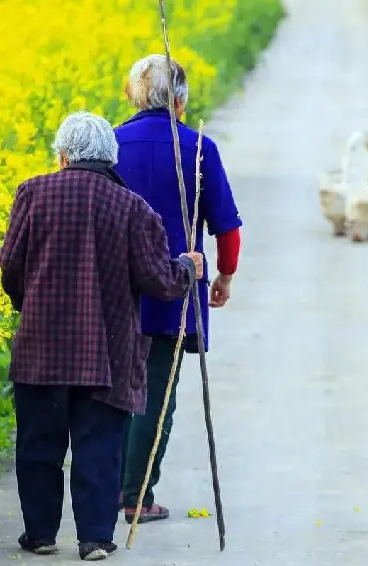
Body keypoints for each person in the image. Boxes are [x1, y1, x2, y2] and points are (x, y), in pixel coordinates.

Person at [0, 111, 204, 561]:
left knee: (38, 446)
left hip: (41, 348)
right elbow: (159, 281)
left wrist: (26, 303)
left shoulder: (32, 193)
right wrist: (187, 268)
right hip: (106, 353)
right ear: (112, 157)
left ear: (63, 154)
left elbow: (10, 265)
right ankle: (93, 539)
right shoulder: (132, 207)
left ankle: (41, 535)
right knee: (99, 449)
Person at [114, 54, 242, 524]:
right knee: (155, 392)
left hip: (115, 289)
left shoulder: (108, 143)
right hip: (174, 287)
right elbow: (226, 227)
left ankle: (107, 490)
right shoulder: (198, 147)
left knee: (110, 392)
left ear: (131, 95)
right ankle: (136, 495)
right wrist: (225, 275)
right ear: (182, 103)